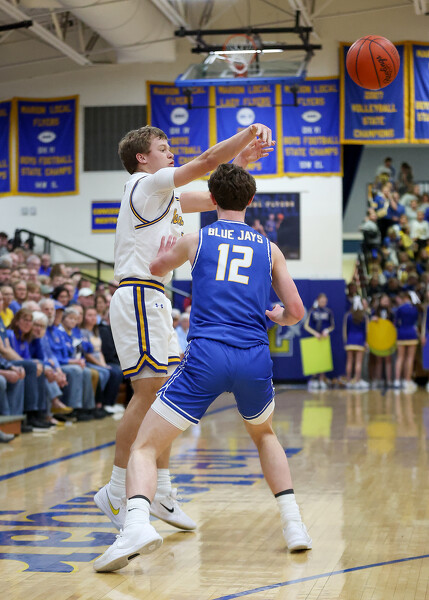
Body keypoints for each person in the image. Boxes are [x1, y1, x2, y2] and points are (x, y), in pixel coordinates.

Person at [94, 162, 311, 573]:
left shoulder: (194, 240)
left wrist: (164, 252)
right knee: (265, 435)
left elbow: (155, 269)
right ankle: (294, 525)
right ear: (251, 200)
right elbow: (296, 311)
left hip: (207, 355)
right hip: (253, 356)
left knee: (144, 446)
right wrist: (278, 315)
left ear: (211, 199)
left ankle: (136, 525)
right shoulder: (270, 249)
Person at [93, 122, 274, 533]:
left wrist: (242, 162)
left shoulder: (167, 196)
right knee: (147, 393)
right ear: (142, 158)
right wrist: (246, 135)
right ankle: (117, 490)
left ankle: (161, 491)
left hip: (155, 296)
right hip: (139, 292)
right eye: (163, 147)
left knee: (165, 398)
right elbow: (207, 162)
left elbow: (216, 197)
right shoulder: (145, 184)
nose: (170, 151)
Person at [303, 293, 335, 390]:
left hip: (323, 339)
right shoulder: (312, 311)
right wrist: (315, 333)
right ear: (317, 301)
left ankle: (322, 379)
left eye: (324, 301)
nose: (323, 303)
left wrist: (327, 331)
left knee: (323, 360)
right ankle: (314, 379)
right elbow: (306, 325)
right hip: (314, 339)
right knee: (314, 359)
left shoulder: (328, 312)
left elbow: (332, 325)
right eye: (321, 301)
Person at [394, 292, 419, 391]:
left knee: (400, 357)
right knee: (410, 358)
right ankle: (407, 380)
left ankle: (397, 380)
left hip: (401, 333)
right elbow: (417, 321)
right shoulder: (415, 308)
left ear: (404, 298)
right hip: (412, 333)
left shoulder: (399, 308)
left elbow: (396, 323)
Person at [343, 297, 369, 389]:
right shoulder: (364, 316)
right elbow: (366, 331)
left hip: (350, 340)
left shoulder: (348, 315)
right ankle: (357, 381)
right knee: (358, 362)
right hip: (360, 341)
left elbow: (345, 329)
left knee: (349, 361)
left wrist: (346, 341)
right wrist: (366, 341)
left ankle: (348, 380)